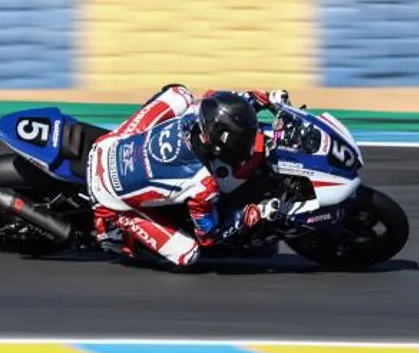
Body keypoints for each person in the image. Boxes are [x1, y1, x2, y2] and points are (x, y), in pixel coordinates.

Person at [85, 84, 290, 268]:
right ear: (220, 144)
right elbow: (209, 235)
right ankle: (122, 231)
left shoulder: (197, 111)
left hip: (107, 146)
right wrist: (254, 213)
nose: (247, 144)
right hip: (107, 195)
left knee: (179, 93)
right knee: (188, 254)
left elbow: (222, 101)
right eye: (240, 141)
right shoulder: (202, 184)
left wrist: (264, 97)